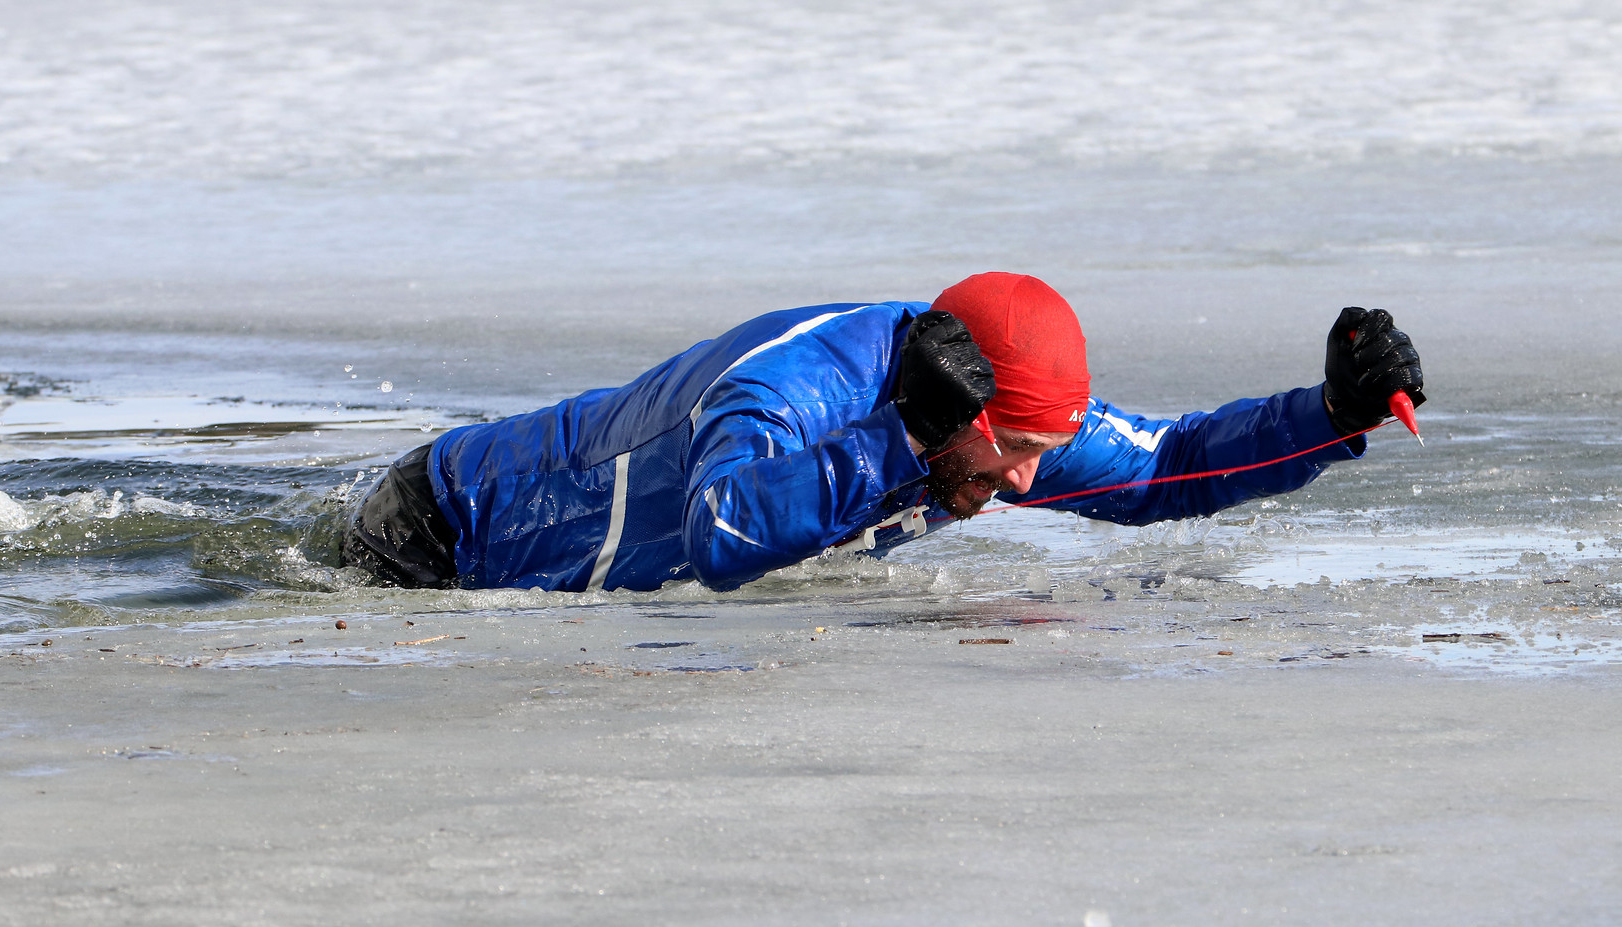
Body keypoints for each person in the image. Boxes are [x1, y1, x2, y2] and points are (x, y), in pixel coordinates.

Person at [340, 273, 1425, 594]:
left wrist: (1328, 415)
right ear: (951, 410)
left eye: (1037, 454)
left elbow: (1163, 467)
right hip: (444, 532)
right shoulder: (798, 383)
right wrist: (898, 440)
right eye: (1008, 456)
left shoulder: (996, 427)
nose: (1020, 482)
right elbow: (721, 529)